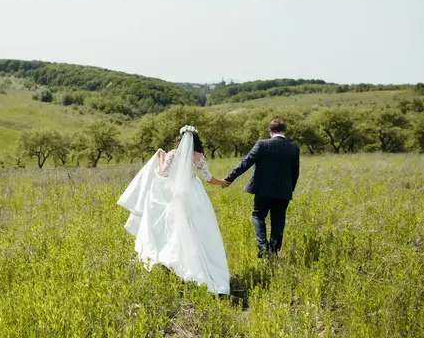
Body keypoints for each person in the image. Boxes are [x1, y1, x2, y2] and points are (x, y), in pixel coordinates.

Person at [118, 125, 230, 294]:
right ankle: (197, 264)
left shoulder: (171, 154)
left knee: (174, 227)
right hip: (194, 194)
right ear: (196, 139)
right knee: (195, 228)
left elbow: (163, 174)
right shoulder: (198, 156)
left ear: (180, 138)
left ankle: (174, 259)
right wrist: (223, 182)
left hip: (174, 194)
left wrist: (161, 157)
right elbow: (208, 179)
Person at [222, 119, 300, 258]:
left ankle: (263, 247)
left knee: (258, 216)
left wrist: (229, 179)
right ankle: (274, 252)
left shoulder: (262, 144)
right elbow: (295, 173)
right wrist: (290, 189)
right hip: (283, 191)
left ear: (270, 131)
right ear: (285, 131)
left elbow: (245, 163)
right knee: (278, 222)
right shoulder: (294, 148)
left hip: (262, 190)